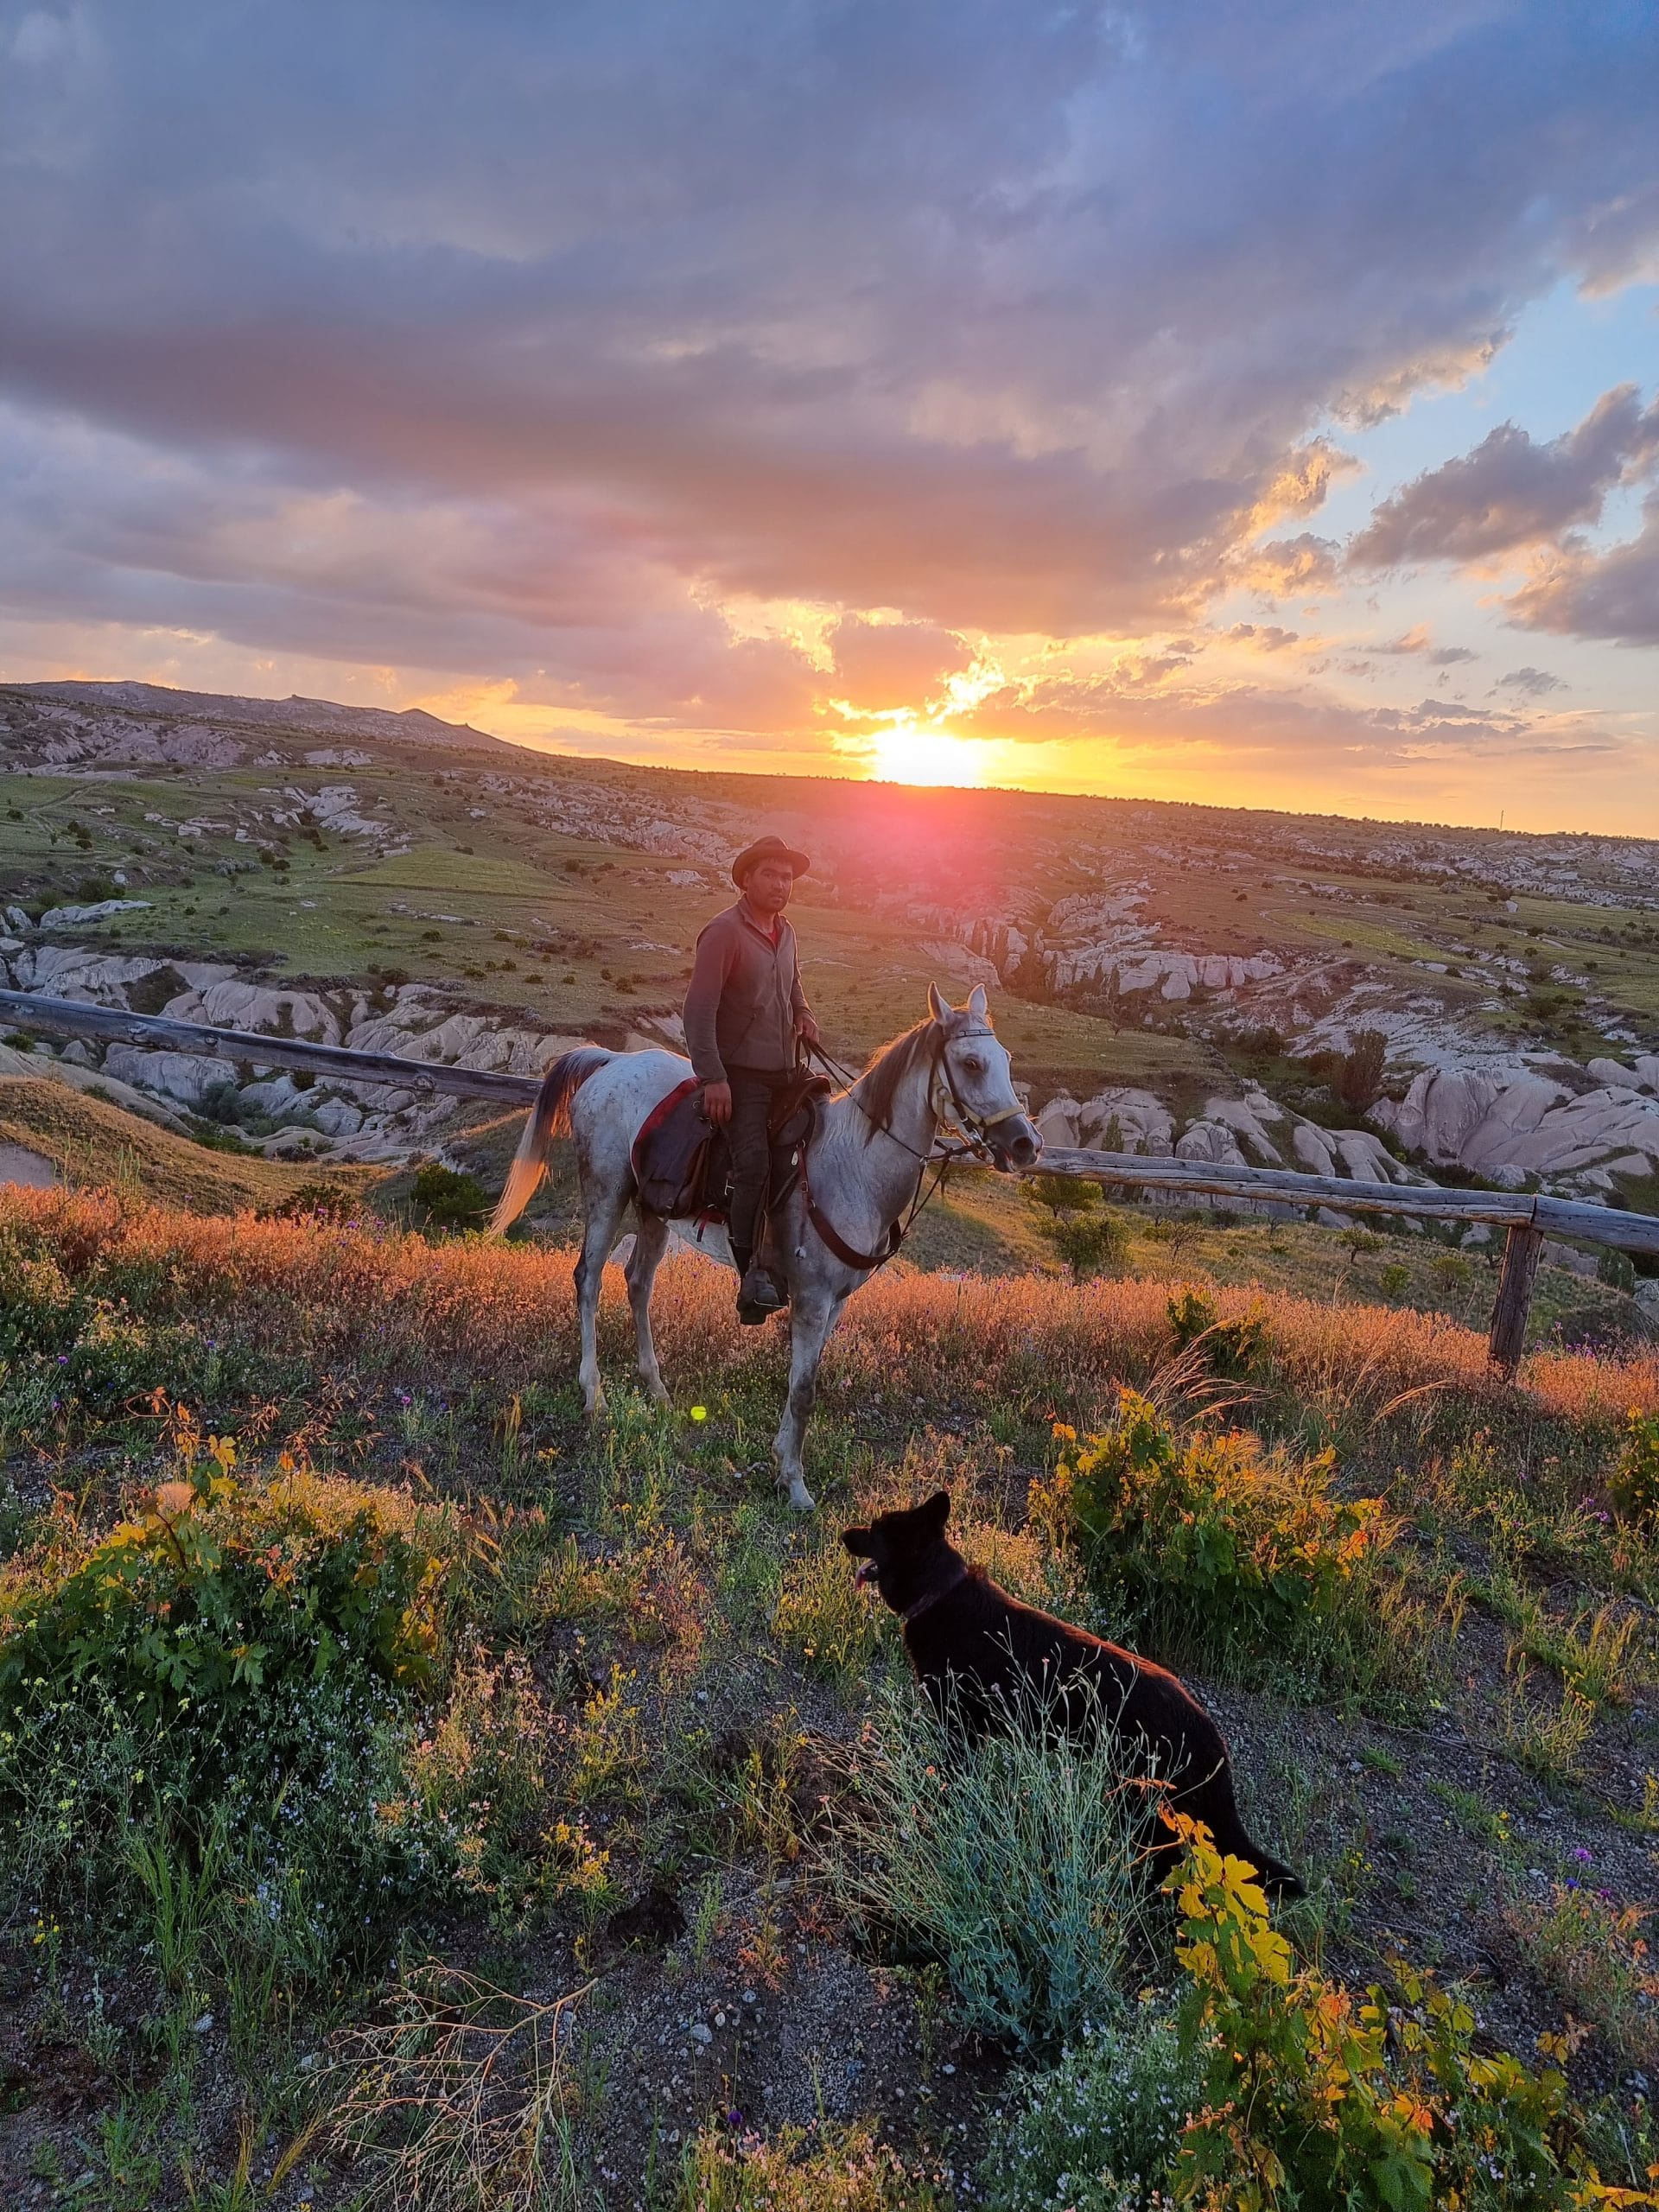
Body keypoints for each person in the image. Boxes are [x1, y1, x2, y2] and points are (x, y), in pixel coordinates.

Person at [683, 835, 821, 1321]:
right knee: (754, 1166)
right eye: (770, 874)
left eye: (787, 877)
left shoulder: (786, 932)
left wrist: (803, 1014)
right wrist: (713, 1078)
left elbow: (793, 986)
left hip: (786, 1069)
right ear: (747, 879)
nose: (781, 884)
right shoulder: (723, 933)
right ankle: (751, 1277)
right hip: (741, 1076)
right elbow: (699, 1012)